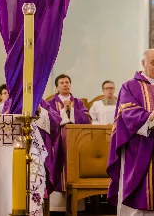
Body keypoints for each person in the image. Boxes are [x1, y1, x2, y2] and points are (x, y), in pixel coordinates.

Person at [107, 49, 154, 215]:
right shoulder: (130, 86)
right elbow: (126, 113)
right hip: (139, 148)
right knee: (138, 195)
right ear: (143, 63)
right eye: (153, 63)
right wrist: (149, 116)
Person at [47, 74, 91, 212]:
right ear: (57, 87)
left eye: (67, 82)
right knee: (59, 170)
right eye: (62, 83)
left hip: (75, 143)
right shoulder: (50, 102)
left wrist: (71, 110)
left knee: (73, 169)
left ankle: (77, 206)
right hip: (57, 143)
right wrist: (63, 111)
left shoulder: (78, 102)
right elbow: (48, 119)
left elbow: (87, 118)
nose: (65, 85)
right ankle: (57, 207)